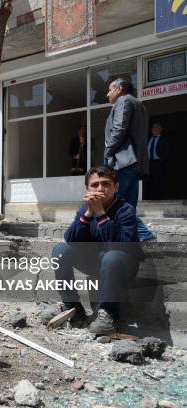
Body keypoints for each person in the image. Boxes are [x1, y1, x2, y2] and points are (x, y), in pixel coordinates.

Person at [50, 166, 141, 335]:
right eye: (95, 185)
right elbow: (71, 240)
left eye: (106, 184)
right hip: (96, 261)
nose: (100, 189)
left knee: (112, 256)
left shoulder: (125, 209)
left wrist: (100, 214)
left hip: (122, 264)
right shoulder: (85, 208)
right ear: (87, 189)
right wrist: (88, 215)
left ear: (116, 187)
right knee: (60, 250)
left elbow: (119, 245)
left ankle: (108, 314)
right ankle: (72, 307)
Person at [104, 77, 154, 241]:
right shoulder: (140, 105)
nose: (107, 94)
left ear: (120, 89)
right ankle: (131, 241)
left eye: (110, 89)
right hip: (136, 164)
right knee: (128, 206)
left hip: (124, 162)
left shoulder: (123, 101)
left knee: (113, 203)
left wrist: (108, 151)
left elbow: (119, 129)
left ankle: (145, 235)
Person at [144, 122, 167, 200]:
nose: (153, 129)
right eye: (153, 127)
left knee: (158, 181)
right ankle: (149, 198)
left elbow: (166, 152)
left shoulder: (163, 139)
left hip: (157, 163)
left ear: (161, 129)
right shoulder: (148, 138)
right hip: (148, 162)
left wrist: (162, 161)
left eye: (156, 127)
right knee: (148, 181)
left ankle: (160, 198)